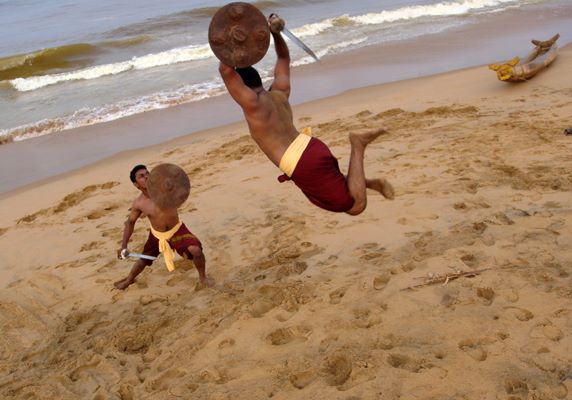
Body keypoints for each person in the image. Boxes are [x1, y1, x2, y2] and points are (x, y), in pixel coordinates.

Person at [218, 14, 394, 215]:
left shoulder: (253, 104)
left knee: (354, 207)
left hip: (301, 162)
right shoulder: (280, 92)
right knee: (338, 187)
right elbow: (284, 58)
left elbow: (225, 69)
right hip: (311, 147)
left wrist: (233, 39)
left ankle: (358, 145)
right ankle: (368, 183)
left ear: (243, 86)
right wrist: (275, 33)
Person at [114, 164, 212, 290]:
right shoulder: (139, 203)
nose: (146, 177)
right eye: (141, 176)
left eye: (147, 173)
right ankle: (129, 280)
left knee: (196, 250)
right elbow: (130, 223)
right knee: (143, 260)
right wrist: (123, 246)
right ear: (136, 184)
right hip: (157, 235)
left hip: (177, 230)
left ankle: (203, 278)